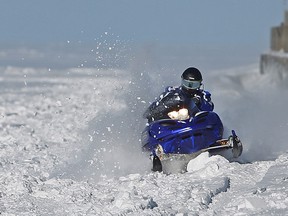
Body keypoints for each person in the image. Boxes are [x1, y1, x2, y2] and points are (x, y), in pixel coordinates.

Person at [143, 67, 214, 123]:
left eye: (194, 85)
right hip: (170, 126)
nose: (189, 88)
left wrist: (197, 102)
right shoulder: (172, 91)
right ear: (182, 81)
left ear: (200, 84)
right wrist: (172, 101)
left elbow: (209, 108)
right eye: (187, 84)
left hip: (194, 126)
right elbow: (150, 111)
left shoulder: (203, 95)